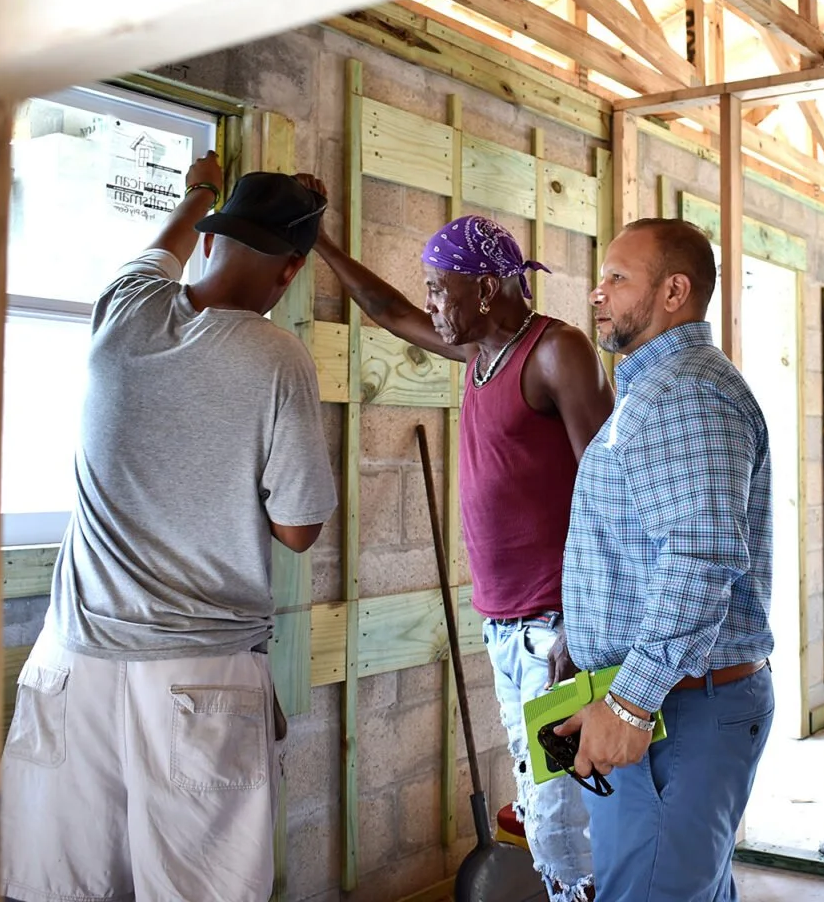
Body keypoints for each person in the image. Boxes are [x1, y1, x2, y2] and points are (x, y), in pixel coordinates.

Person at [1, 154, 338, 902]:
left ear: (212, 238)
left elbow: (165, 246)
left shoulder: (123, 307)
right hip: (199, 679)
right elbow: (297, 530)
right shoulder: (277, 357)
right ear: (289, 276)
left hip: (70, 667)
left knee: (65, 887)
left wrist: (199, 191)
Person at [315, 214, 612, 902]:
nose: (431, 307)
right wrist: (323, 240)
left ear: (485, 289)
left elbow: (611, 493)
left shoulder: (554, 353)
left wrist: (581, 619)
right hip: (508, 629)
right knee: (544, 796)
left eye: (440, 291)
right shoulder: (480, 353)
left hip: (554, 629)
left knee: (563, 806)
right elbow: (387, 311)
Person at [554, 218, 776, 902]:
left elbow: (700, 559)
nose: (598, 294)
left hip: (678, 715)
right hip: (667, 707)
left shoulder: (685, 395)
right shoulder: (656, 389)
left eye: (618, 278)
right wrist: (584, 641)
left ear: (674, 291)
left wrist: (628, 703)